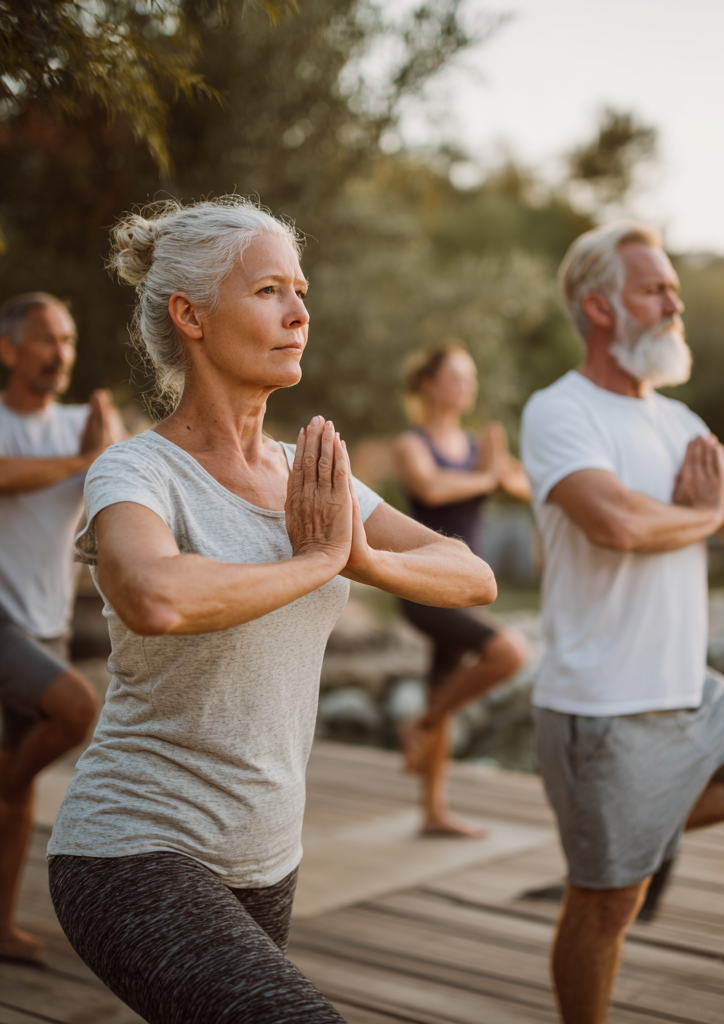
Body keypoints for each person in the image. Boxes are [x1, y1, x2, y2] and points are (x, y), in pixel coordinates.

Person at [45, 197, 496, 1024]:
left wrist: (358, 556)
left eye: (302, 289)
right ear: (191, 316)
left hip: (267, 860)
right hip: (134, 848)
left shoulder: (312, 477)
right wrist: (319, 560)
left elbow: (473, 575)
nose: (300, 313)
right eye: (268, 292)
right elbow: (156, 596)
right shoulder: (136, 473)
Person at [520, 221, 724, 1024]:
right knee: (607, 907)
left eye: (673, 288)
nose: (674, 301)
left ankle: (641, 819)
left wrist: (707, 510)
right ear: (597, 307)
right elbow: (614, 524)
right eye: (654, 288)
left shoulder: (684, 425)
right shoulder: (560, 412)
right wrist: (709, 512)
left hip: (687, 688)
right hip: (602, 707)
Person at [0, 292, 125, 965]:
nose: (60, 354)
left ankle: (0, 928)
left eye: (69, 340)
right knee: (77, 707)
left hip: (45, 620)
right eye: (47, 340)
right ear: (9, 349)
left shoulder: (86, 425)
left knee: (10, 787)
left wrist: (107, 456)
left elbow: (142, 481)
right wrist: (88, 461)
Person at [393, 343, 530, 836]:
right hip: (422, 587)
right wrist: (487, 476)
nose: (467, 386)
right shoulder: (412, 444)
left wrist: (505, 470)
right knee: (508, 653)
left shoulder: (478, 448)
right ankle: (422, 724)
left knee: (444, 685)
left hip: (466, 588)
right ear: (428, 385)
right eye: (456, 376)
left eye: (470, 378)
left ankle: (433, 812)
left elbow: (524, 486)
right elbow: (430, 488)